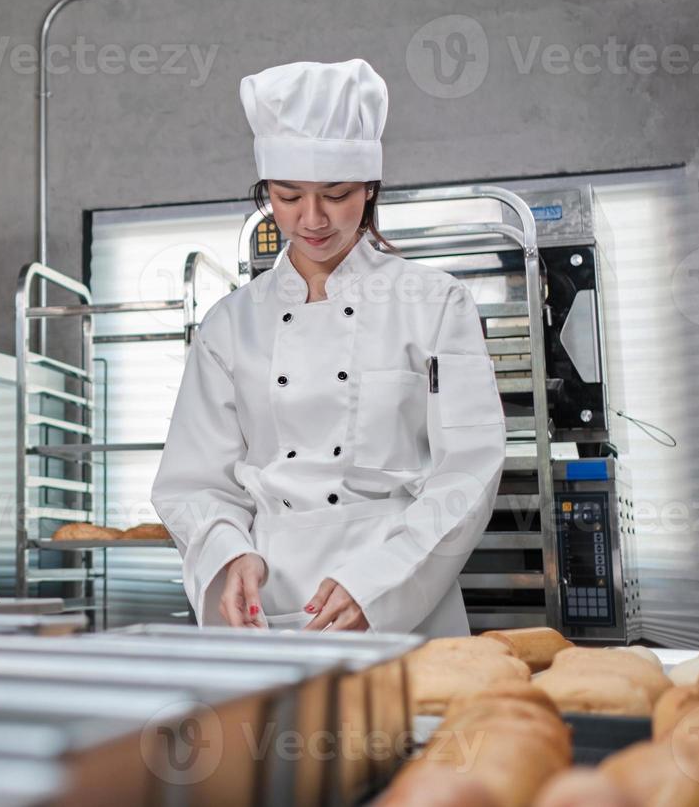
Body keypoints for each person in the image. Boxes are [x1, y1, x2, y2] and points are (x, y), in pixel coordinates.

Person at [151, 59, 505, 635]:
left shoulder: (435, 303)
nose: (311, 220)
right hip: (265, 609)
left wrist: (378, 582)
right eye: (288, 197)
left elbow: (467, 470)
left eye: (336, 195)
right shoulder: (229, 325)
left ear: (369, 189)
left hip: (401, 597)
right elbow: (194, 482)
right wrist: (226, 554)